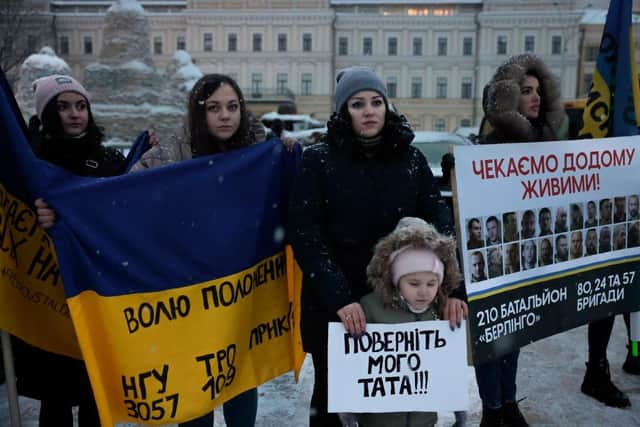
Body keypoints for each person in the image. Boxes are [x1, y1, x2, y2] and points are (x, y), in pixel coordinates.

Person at [287, 67, 468, 427]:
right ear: (343, 112)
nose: (369, 111)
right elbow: (306, 236)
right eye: (357, 104)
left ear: (387, 107)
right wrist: (340, 298)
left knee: (398, 407)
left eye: (376, 102)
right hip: (337, 309)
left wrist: (453, 289)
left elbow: (441, 227)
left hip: (403, 306)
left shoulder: (411, 160)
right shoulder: (317, 161)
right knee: (333, 403)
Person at [131, 74, 277, 427]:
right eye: (214, 108)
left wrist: (289, 154)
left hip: (241, 294)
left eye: (232, 106)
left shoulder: (262, 153)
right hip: (190, 295)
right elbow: (123, 197)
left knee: (240, 379)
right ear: (199, 113)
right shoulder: (170, 154)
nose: (225, 115)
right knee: (195, 384)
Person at [18, 74, 158, 427]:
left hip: (95, 294)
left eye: (81, 106)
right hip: (47, 296)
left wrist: (146, 157)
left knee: (96, 393)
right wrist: (37, 216)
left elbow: (124, 208)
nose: (75, 114)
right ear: (47, 113)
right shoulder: (30, 165)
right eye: (63, 107)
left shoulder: (108, 160)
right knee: (56, 399)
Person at [478, 53, 569, 427]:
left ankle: (509, 403)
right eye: (525, 91)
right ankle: (492, 409)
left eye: (538, 91)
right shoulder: (491, 144)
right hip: (494, 259)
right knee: (492, 339)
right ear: (508, 99)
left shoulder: (548, 143)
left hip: (528, 257)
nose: (535, 98)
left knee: (515, 336)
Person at [356, 217, 464, 427]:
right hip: (379, 421)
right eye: (414, 283)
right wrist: (348, 408)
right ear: (396, 279)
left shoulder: (438, 310)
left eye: (432, 283)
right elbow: (352, 364)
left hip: (424, 420)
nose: (424, 292)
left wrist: (458, 407)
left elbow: (447, 367)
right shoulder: (369, 308)